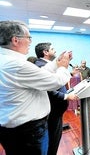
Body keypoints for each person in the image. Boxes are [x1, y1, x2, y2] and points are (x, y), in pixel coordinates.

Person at [0, 20, 72, 155]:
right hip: (28, 133)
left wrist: (56, 63)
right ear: (16, 40)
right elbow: (55, 82)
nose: (30, 42)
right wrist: (63, 66)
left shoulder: (7, 60)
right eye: (28, 38)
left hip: (15, 130)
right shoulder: (17, 65)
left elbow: (41, 73)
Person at [35, 42, 78, 155]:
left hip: (57, 111)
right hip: (52, 111)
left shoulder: (49, 64)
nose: (55, 51)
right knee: (52, 141)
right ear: (45, 52)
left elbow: (56, 76)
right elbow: (49, 89)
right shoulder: (39, 64)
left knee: (55, 139)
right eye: (52, 49)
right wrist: (65, 96)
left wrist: (67, 66)